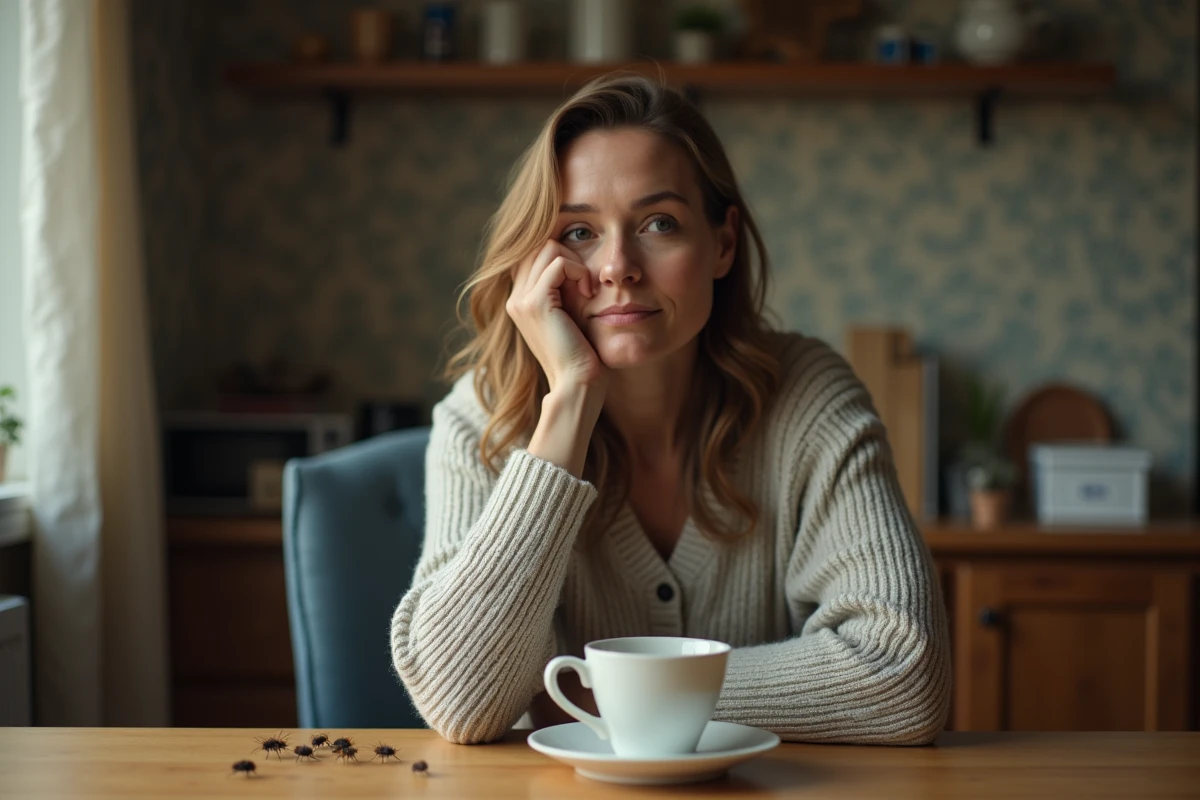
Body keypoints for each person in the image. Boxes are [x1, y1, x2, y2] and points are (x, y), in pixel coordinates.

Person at [390, 73, 950, 746]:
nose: (618, 266)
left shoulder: (808, 395)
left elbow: (903, 677)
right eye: (577, 231)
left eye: (659, 223)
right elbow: (460, 701)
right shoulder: (483, 417)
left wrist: (605, 697)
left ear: (722, 243)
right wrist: (570, 398)